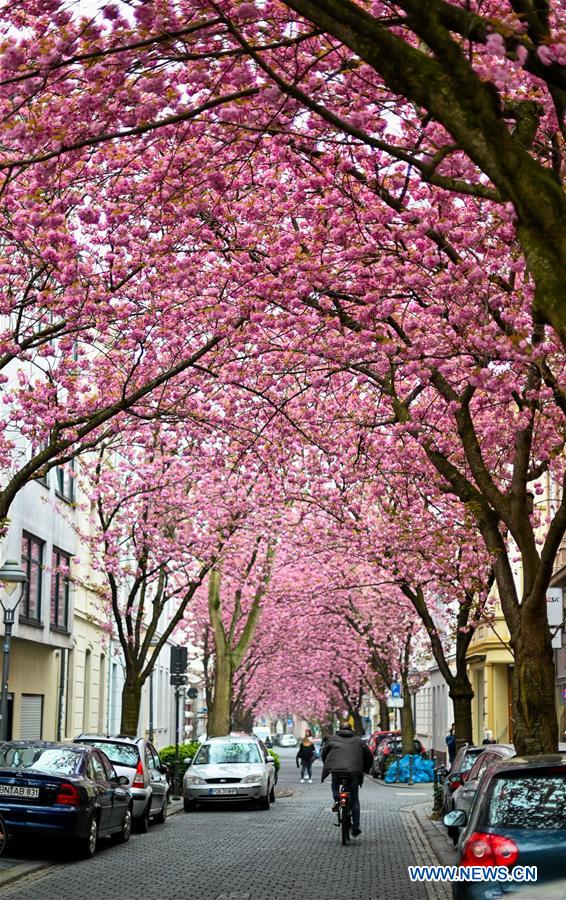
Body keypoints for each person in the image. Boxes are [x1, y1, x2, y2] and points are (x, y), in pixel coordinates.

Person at [321, 720, 373, 838]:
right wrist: (366, 768)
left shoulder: (333, 739)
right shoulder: (358, 740)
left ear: (340, 728)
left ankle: (337, 798)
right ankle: (356, 827)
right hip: (353, 772)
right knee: (354, 799)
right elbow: (369, 756)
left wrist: (329, 764)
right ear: (351, 729)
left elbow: (324, 754)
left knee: (335, 785)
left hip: (336, 770)